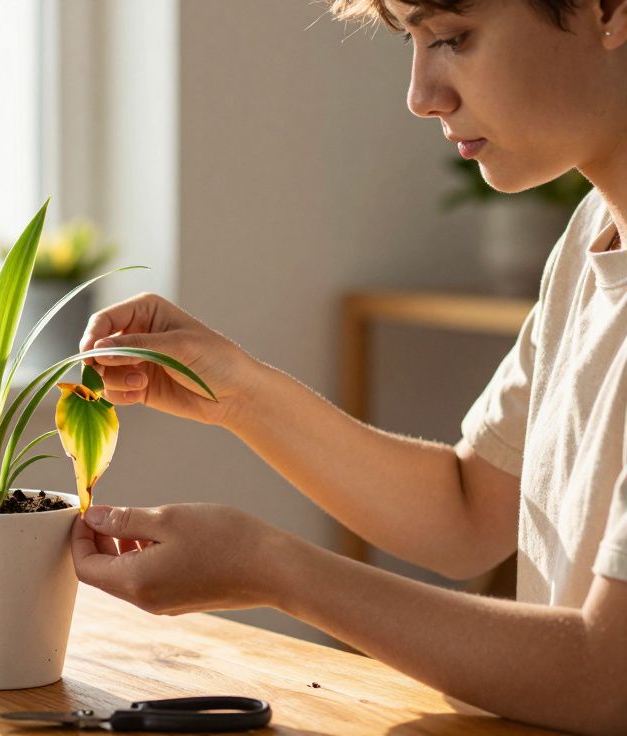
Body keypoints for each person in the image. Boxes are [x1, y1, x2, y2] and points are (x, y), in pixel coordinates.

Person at [72, 1, 627, 733]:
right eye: (415, 42)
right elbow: (467, 511)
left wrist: (272, 569)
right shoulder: (593, 232)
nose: (422, 94)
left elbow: (604, 679)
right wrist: (238, 391)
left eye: (454, 38)